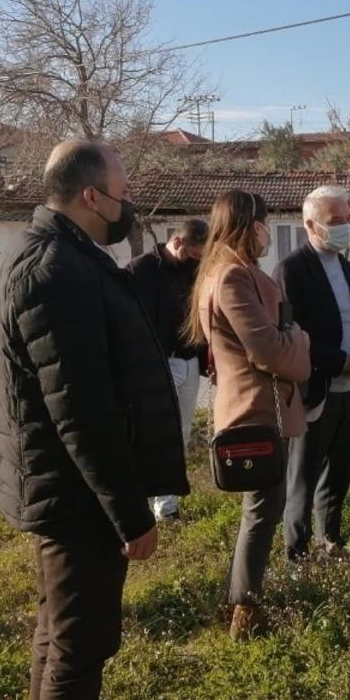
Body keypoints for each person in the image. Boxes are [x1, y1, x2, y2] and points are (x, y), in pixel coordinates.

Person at [0, 140, 188, 700]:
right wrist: (129, 515)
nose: (130, 206)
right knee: (78, 646)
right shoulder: (57, 271)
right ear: (91, 196)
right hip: (75, 497)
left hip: (61, 485)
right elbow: (82, 413)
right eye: (123, 193)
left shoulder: (50, 255)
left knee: (58, 634)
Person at [184, 189, 310, 640]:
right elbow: (266, 349)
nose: (268, 233)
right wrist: (301, 341)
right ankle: (245, 609)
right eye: (265, 224)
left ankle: (237, 599)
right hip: (256, 409)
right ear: (251, 225)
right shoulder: (232, 276)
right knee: (263, 510)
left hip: (261, 405)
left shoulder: (228, 270)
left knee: (261, 507)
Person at [274, 185, 350, 561]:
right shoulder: (291, 270)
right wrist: (337, 361)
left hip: (349, 388)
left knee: (338, 472)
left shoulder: (349, 269)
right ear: (310, 225)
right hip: (313, 389)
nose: (344, 226)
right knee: (303, 475)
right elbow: (290, 335)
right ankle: (296, 552)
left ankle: (329, 540)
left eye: (347, 219)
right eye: (335, 221)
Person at [127, 217, 209, 522]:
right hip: (157, 364)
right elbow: (130, 322)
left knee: (180, 434)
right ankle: (140, 503)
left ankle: (167, 506)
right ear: (177, 242)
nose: (195, 261)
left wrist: (206, 360)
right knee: (152, 433)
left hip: (189, 361)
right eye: (193, 254)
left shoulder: (194, 270)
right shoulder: (140, 270)